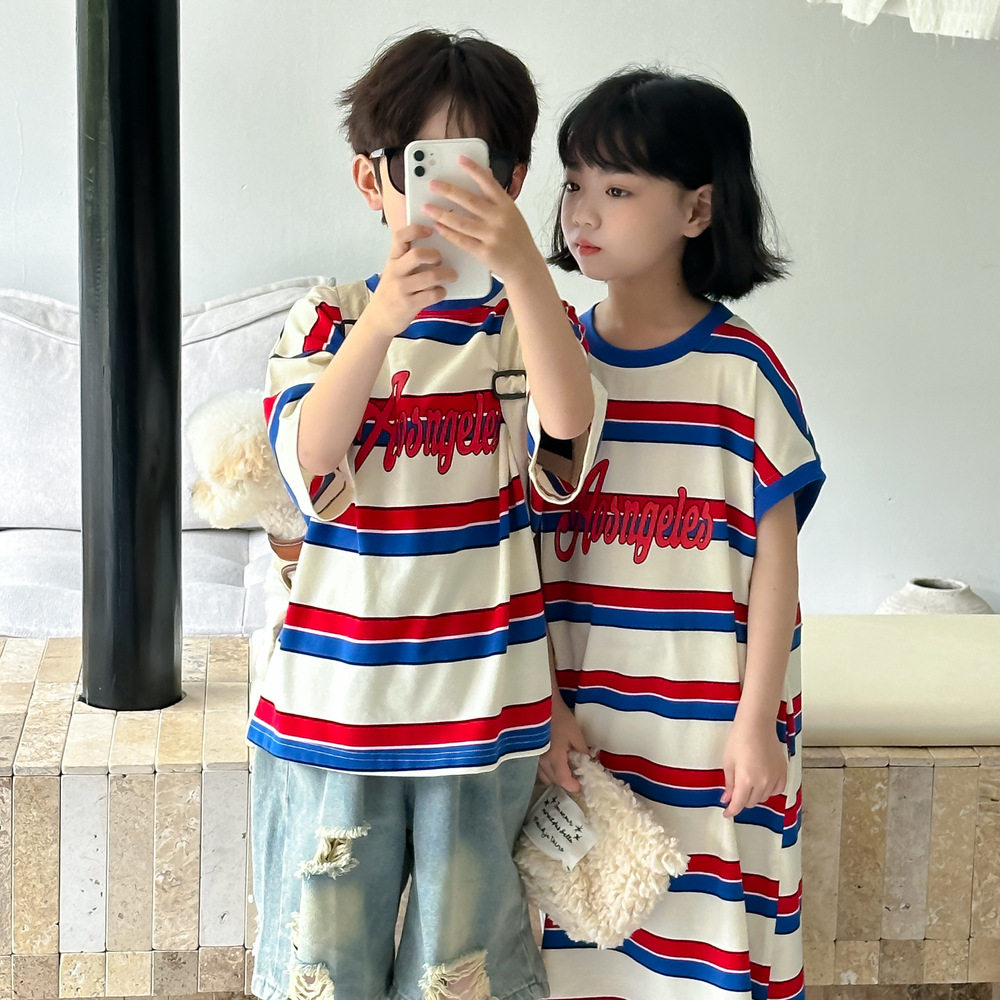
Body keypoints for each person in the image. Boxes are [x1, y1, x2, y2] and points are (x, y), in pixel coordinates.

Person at [246, 29, 602, 1000]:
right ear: (372, 180)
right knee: (321, 967)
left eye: (471, 166)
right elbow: (310, 466)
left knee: (464, 970)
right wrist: (379, 327)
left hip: (485, 712)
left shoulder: (526, 327)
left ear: (514, 180)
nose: (445, 193)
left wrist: (526, 271)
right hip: (335, 706)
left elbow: (567, 441)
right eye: (420, 165)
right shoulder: (327, 318)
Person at [534, 69, 825, 1000]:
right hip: (589, 721)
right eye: (574, 184)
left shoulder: (741, 374)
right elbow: (519, 560)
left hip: (711, 727)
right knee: (582, 933)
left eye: (618, 190)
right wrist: (546, 704)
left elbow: (775, 572)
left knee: (707, 943)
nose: (583, 212)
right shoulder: (555, 365)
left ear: (697, 210)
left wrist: (755, 724)